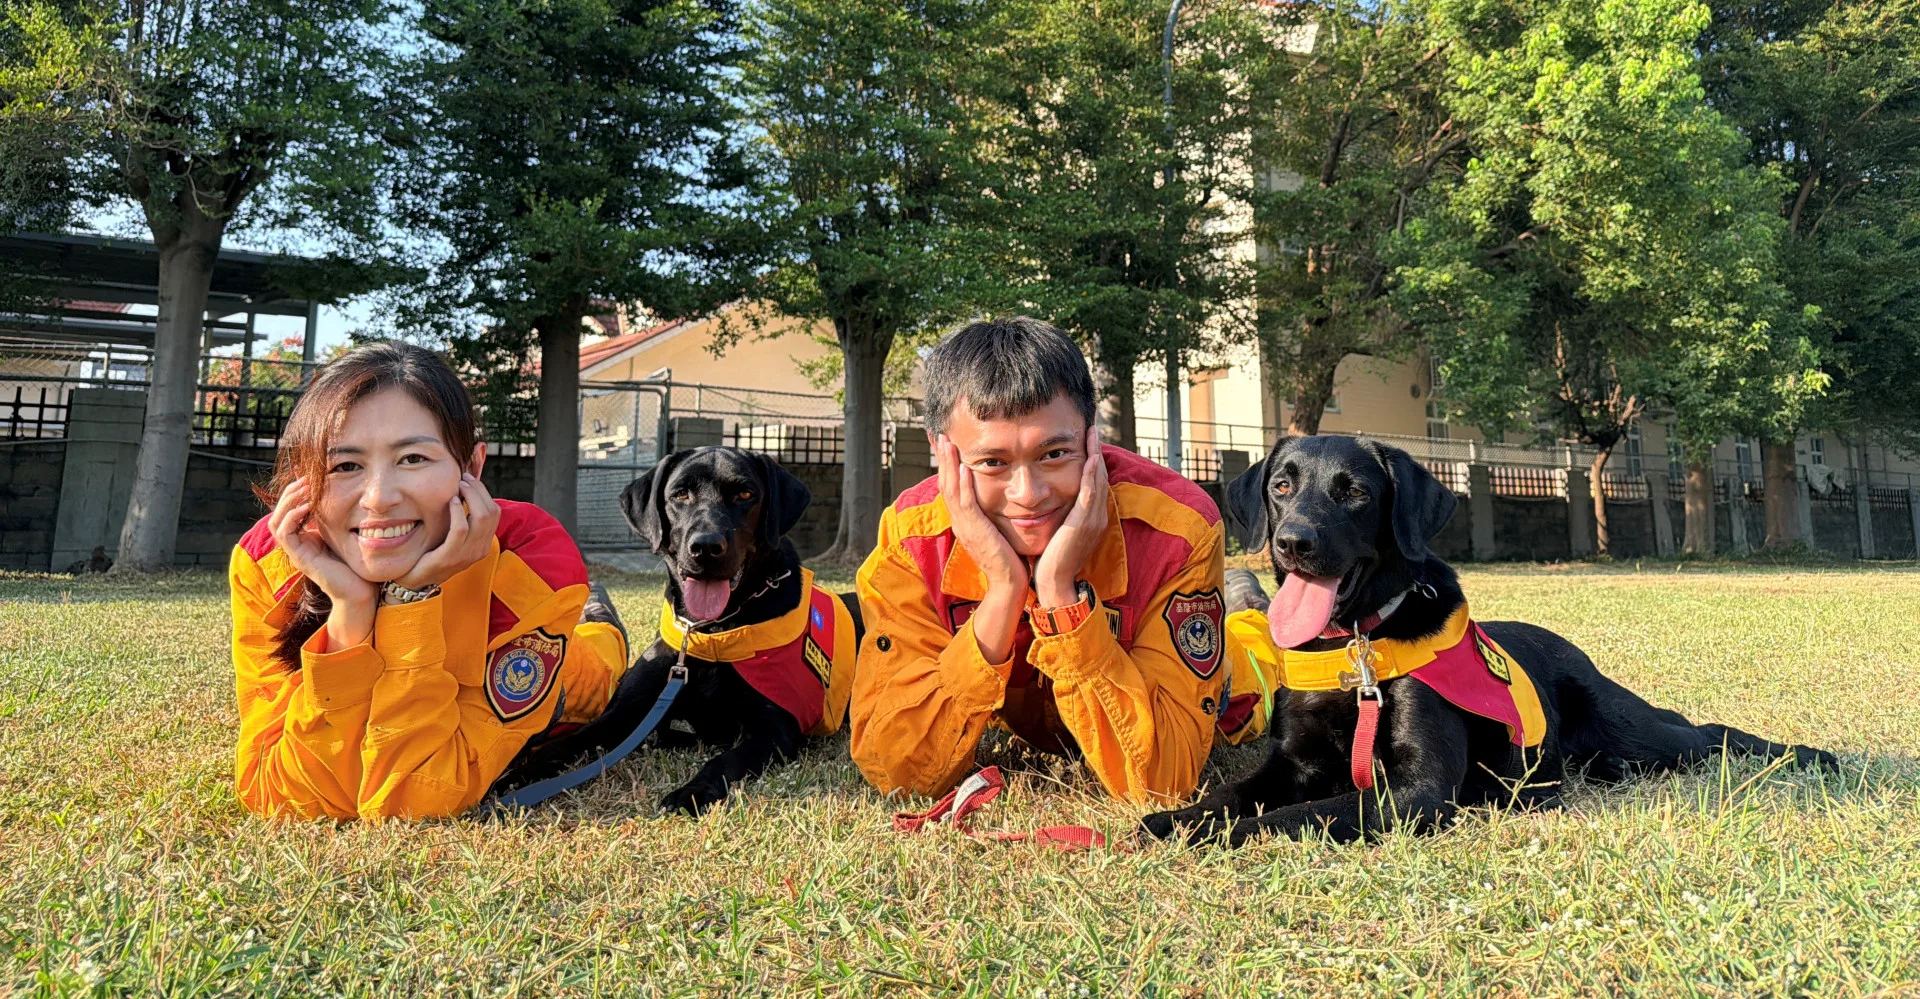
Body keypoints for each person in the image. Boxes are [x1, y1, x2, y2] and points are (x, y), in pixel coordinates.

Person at [849, 317, 1249, 805]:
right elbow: (898, 771)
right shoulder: (910, 540)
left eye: (1055, 453)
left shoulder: (1178, 531)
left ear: (1090, 437)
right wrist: (1003, 592)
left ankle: (1248, 609)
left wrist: (1059, 590)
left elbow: (1162, 782)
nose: (1029, 495)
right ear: (941, 451)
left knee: (1255, 653)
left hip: (1238, 677)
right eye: (992, 463)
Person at [228, 342, 629, 821]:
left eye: (413, 458)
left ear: (472, 469)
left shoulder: (533, 560)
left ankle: (600, 623)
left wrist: (408, 603)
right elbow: (282, 795)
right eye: (345, 466)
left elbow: (418, 796)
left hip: (575, 679)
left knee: (601, 667)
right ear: (304, 480)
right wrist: (350, 615)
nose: (378, 499)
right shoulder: (269, 566)